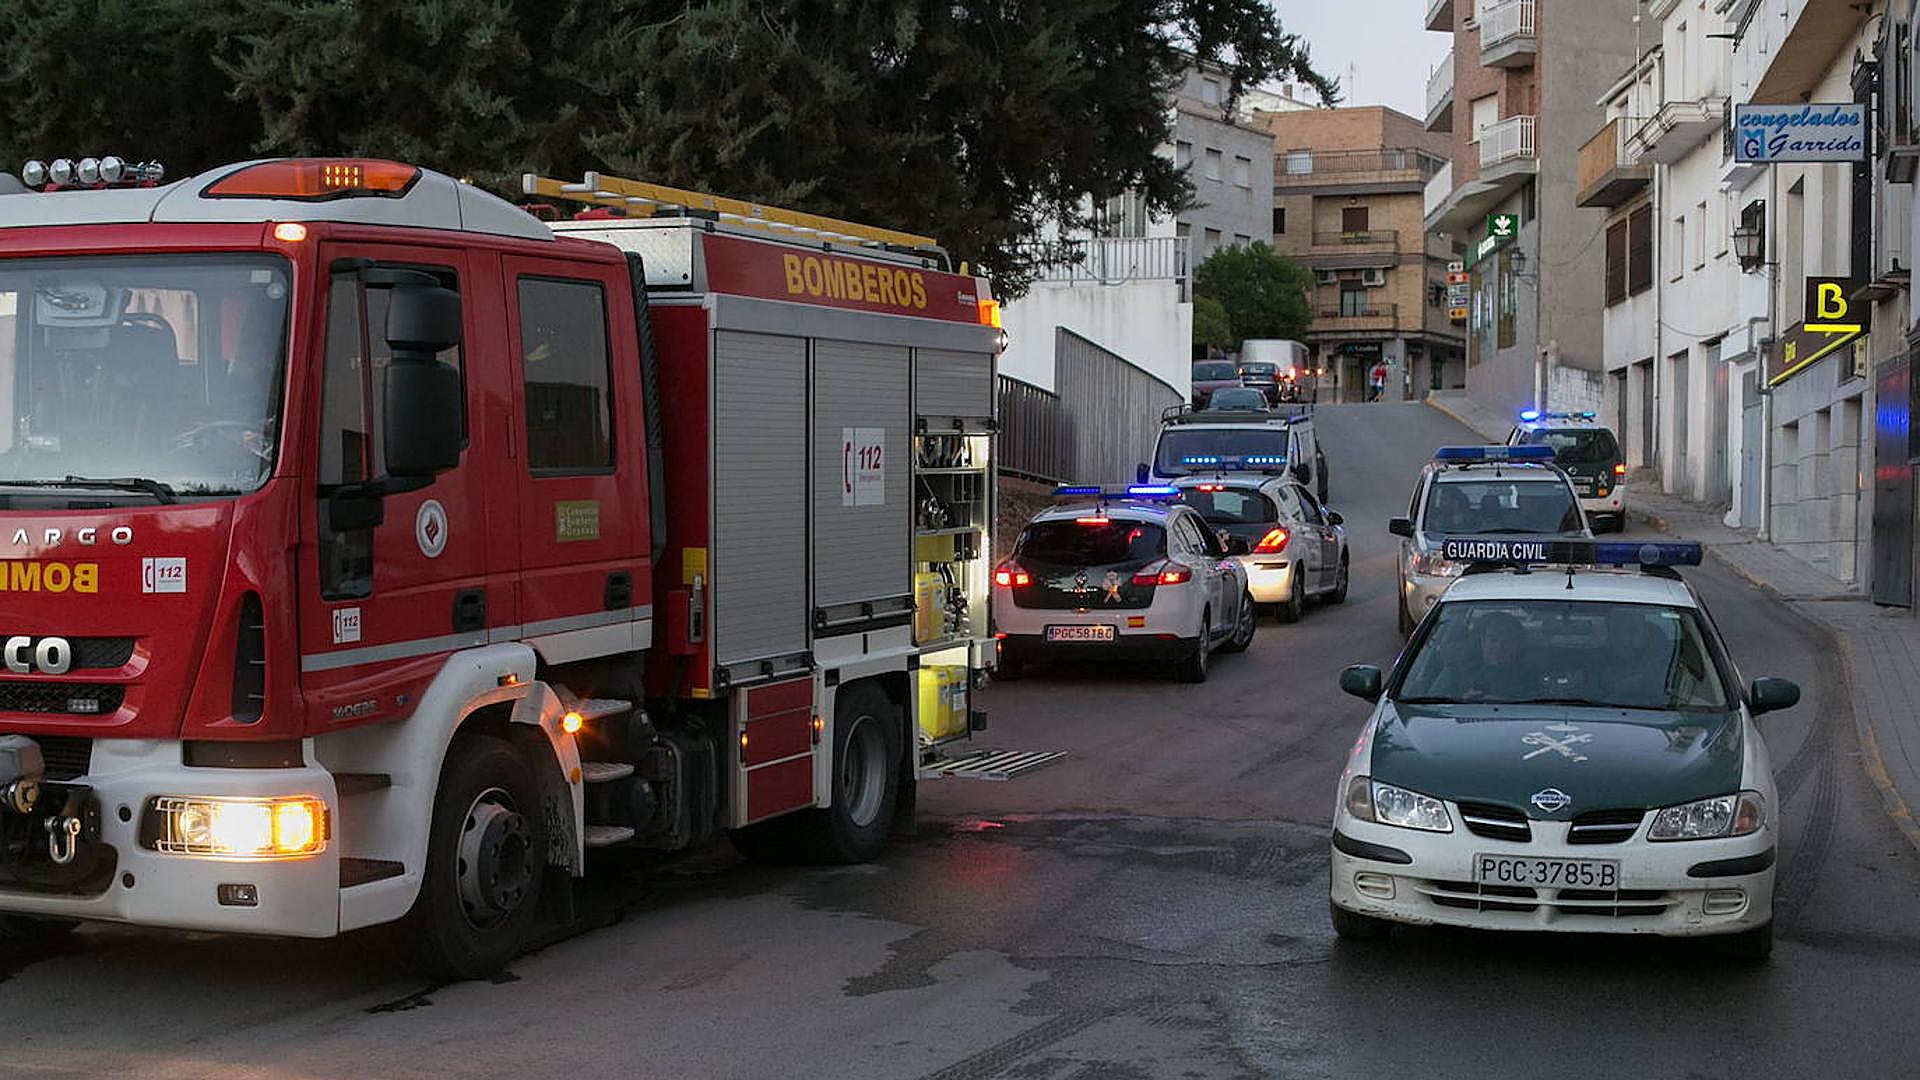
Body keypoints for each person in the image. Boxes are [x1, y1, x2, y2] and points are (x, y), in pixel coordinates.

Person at [1437, 611, 1537, 702]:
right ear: (1482, 641)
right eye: (1493, 639)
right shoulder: (1455, 671)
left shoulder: (1529, 678)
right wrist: (1463, 701)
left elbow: (1537, 709)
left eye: (1507, 641)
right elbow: (1435, 708)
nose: (1499, 646)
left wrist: (1507, 704)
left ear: (1517, 646)